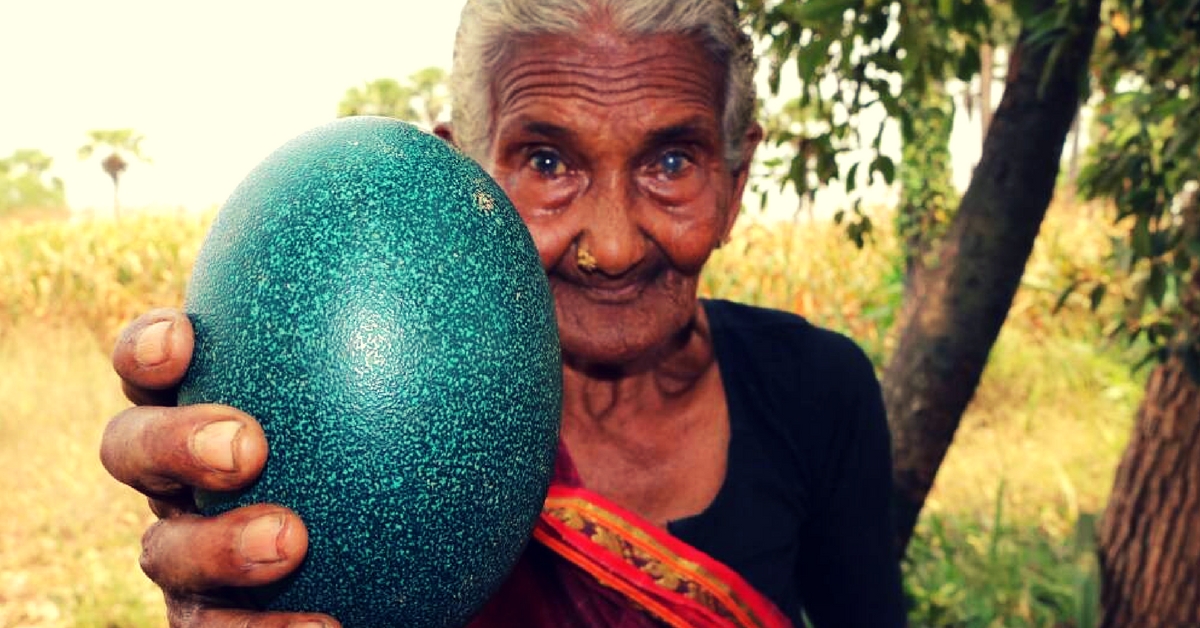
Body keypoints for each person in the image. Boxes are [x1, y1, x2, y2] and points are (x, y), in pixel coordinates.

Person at [100, 0, 907, 626]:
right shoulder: (385, 411)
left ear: (735, 183)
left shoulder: (817, 390)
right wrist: (243, 566)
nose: (615, 246)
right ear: (464, 180)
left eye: (671, 161)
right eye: (548, 162)